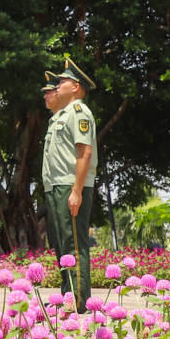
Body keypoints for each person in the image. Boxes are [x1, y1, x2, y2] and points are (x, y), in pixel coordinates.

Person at [40, 56, 100, 312]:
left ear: (75, 86)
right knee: (63, 244)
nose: (57, 86)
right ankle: (68, 297)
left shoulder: (80, 113)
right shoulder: (62, 116)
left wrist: (76, 191)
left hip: (70, 186)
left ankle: (78, 302)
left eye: (62, 81)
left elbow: (84, 153)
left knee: (74, 244)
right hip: (57, 186)